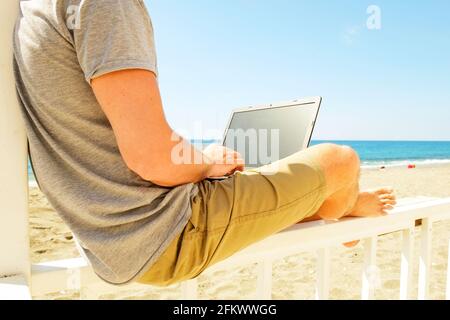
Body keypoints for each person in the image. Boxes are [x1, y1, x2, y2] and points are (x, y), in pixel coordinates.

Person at [13, 0, 396, 286]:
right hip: (166, 230)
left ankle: (310, 199)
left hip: (105, 238)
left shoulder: (32, 10)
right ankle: (340, 207)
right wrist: (204, 162)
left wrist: (198, 162)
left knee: (257, 171)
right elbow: (152, 158)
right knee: (341, 160)